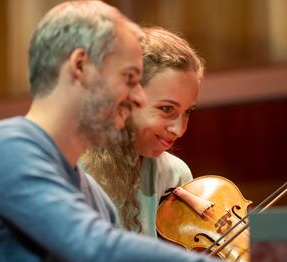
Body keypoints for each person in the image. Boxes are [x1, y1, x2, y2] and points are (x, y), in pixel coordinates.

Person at [0, 1, 245, 262]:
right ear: (81, 67)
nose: (138, 98)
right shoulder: (6, 147)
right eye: (129, 79)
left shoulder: (95, 197)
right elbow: (97, 248)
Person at [81, 26, 214, 237]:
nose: (179, 130)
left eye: (187, 112)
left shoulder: (175, 175)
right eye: (167, 109)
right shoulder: (71, 168)